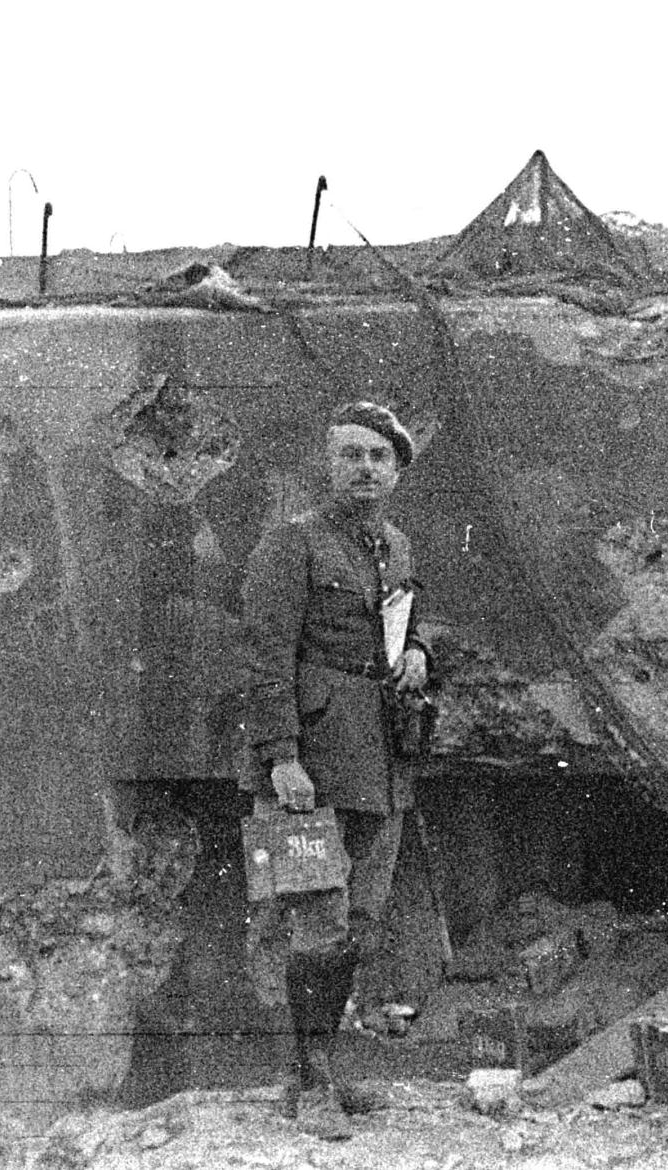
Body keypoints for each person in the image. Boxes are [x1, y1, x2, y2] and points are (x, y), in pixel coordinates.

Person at [241, 400, 431, 1139]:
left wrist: (419, 654)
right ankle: (311, 1085)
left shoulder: (395, 545)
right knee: (310, 921)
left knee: (356, 922)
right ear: (328, 463)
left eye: (378, 457)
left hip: (380, 759)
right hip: (312, 761)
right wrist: (282, 757)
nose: (364, 469)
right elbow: (264, 657)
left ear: (396, 471)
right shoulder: (293, 544)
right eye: (350, 454)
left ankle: (317, 1072)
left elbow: (399, 626)